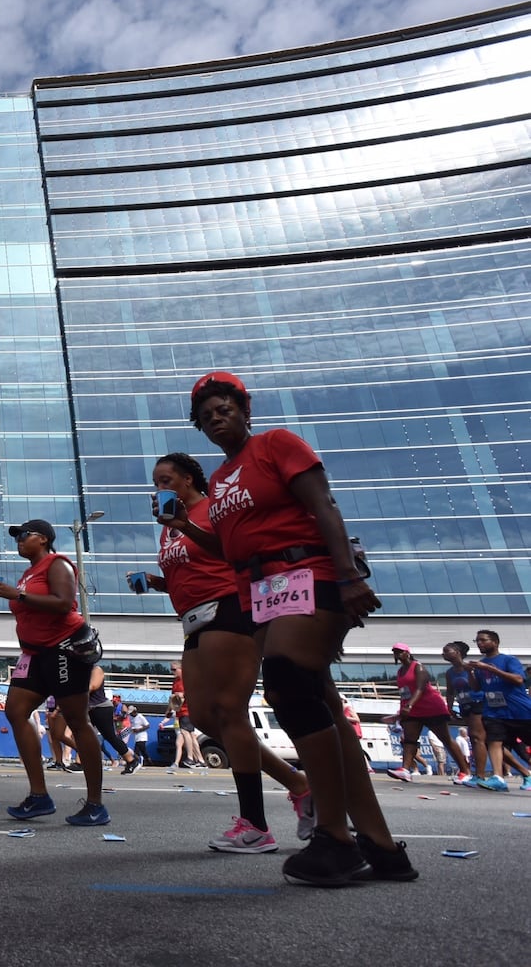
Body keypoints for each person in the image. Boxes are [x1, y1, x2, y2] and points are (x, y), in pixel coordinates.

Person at [176, 371, 414, 885]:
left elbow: (324, 505)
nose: (216, 418)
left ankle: (335, 835)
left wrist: (349, 577)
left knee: (287, 685)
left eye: (224, 408)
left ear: (244, 409)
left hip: (309, 573)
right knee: (318, 701)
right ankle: (380, 844)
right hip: (261, 593)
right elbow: (229, 547)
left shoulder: (277, 445)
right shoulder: (219, 480)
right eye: (206, 415)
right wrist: (186, 528)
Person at [137, 451, 314, 853]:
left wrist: (185, 523)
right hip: (193, 621)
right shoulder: (169, 530)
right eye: (155, 482)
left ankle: (255, 825)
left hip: (229, 610)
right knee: (204, 718)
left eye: (166, 479)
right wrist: (156, 581)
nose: (159, 488)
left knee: (229, 712)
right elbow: (191, 573)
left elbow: (232, 556)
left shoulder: (213, 510)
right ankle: (299, 784)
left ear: (187, 480)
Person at [0, 518, 111, 827]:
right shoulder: (28, 574)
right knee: (16, 711)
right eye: (16, 537)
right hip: (35, 654)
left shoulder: (58, 564)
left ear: (43, 539)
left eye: (24, 535)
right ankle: (39, 796)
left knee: (77, 721)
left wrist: (18, 596)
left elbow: (63, 603)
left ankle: (96, 804)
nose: (18, 540)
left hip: (64, 649)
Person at [384, 644, 470, 784]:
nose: (397, 655)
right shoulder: (400, 672)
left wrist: (409, 705)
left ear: (407, 653)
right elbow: (404, 694)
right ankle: (405, 770)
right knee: (410, 740)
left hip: (431, 708)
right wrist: (401, 711)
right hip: (413, 710)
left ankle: (465, 771)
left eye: (400, 652)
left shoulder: (418, 666)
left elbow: (420, 688)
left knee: (446, 739)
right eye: (394, 652)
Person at [467, 629, 531, 792]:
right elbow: (476, 688)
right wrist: (471, 673)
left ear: (495, 642)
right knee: (493, 742)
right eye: (477, 641)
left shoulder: (509, 660)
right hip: (494, 712)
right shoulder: (481, 665)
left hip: (519, 711)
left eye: (483, 640)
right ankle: (498, 777)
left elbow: (518, 679)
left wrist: (491, 669)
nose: (480, 643)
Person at [442, 640, 487, 785]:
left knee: (476, 737)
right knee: (476, 739)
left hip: (477, 703)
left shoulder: (471, 668)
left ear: (458, 652)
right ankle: (474, 774)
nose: (443, 654)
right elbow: (450, 692)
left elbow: (480, 686)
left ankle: (479, 775)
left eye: (446, 650)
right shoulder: (449, 673)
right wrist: (449, 708)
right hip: (464, 705)